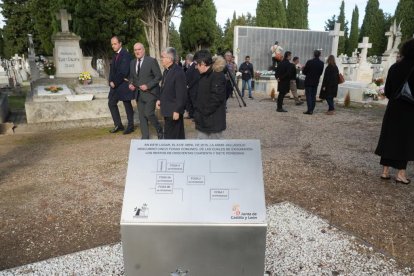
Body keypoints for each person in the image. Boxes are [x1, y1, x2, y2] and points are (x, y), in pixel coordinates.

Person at [375, 38, 414, 185]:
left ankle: (385, 171)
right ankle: (400, 174)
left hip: (393, 108)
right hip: (410, 110)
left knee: (389, 137)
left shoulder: (394, 67)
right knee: (405, 140)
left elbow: (388, 91)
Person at [128, 42, 163, 139]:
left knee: (148, 113)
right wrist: (130, 84)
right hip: (138, 94)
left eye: (139, 49)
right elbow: (131, 77)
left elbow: (158, 76)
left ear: (143, 50)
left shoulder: (151, 61)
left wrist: (148, 85)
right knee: (142, 117)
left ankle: (159, 129)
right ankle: (145, 137)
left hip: (150, 93)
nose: (137, 51)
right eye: (135, 50)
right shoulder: (132, 62)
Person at [193, 49, 227, 139]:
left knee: (216, 150)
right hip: (202, 121)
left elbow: (216, 98)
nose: (196, 67)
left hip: (213, 123)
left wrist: (203, 112)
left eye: (197, 64)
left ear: (203, 63)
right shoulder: (202, 75)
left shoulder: (218, 76)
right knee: (201, 149)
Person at [156, 47, 187, 139]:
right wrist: (159, 99)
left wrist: (177, 110)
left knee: (174, 136)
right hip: (167, 109)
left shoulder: (178, 72)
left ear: (170, 59)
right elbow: (164, 88)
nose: (161, 59)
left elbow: (181, 94)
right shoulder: (166, 71)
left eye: (163, 57)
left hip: (174, 110)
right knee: (170, 134)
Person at [108, 36, 133, 134]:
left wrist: (115, 82)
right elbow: (112, 71)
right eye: (112, 44)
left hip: (123, 85)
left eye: (115, 44)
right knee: (111, 103)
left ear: (120, 43)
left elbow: (124, 71)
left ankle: (130, 126)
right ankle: (118, 125)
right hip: (115, 86)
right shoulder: (115, 55)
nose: (113, 46)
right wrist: (110, 81)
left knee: (127, 105)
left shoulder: (125, 55)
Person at [302, 50, 324, 115]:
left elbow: (304, 72)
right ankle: (312, 109)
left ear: (314, 54)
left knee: (308, 96)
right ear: (319, 55)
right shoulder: (321, 63)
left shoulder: (309, 62)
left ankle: (309, 110)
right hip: (315, 81)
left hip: (308, 81)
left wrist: (303, 69)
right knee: (313, 96)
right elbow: (320, 73)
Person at [185, 53, 200, 120]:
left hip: (194, 88)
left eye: (186, 59)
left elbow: (196, 78)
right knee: (190, 102)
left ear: (188, 59)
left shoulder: (195, 66)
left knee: (194, 103)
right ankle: (191, 114)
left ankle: (196, 116)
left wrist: (189, 85)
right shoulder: (190, 66)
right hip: (189, 88)